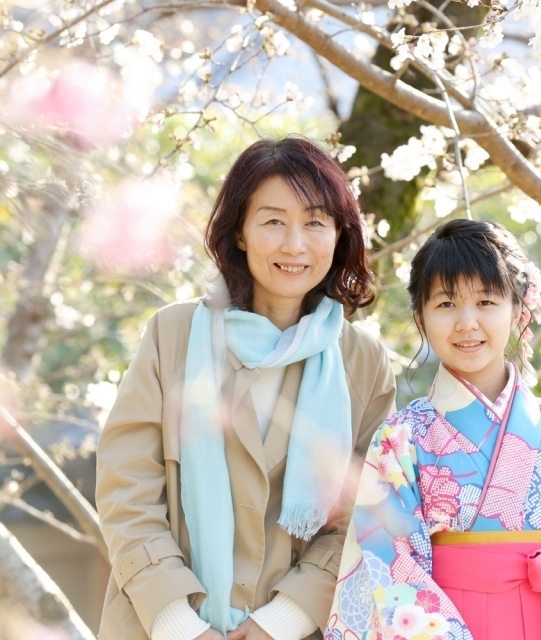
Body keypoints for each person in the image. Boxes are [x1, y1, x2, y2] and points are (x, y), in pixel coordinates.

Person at [95, 136, 397, 640]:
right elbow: (127, 490)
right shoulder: (174, 335)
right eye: (274, 221)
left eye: (316, 222)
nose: (295, 244)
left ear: (340, 234)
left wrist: (278, 624)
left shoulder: (362, 362)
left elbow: (361, 515)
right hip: (158, 626)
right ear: (239, 233)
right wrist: (181, 626)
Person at [324, 219, 541, 640]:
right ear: (421, 317)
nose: (466, 323)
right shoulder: (401, 439)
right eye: (446, 304)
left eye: (486, 301)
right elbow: (386, 567)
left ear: (519, 310)